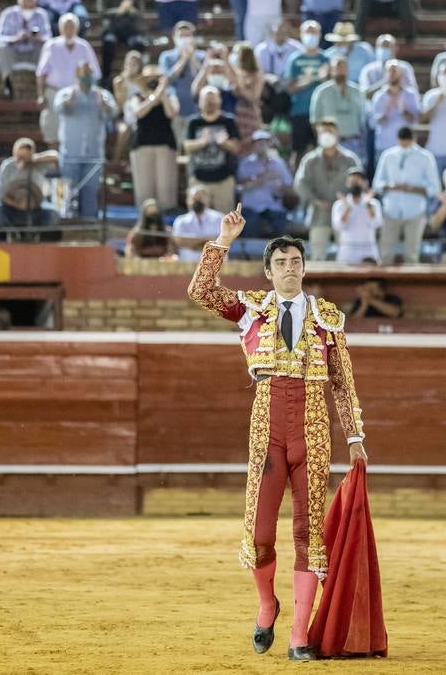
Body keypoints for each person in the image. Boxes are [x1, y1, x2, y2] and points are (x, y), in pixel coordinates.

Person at [188, 228, 366, 661]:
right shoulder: (251, 309)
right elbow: (200, 291)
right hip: (267, 423)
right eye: (281, 263)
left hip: (314, 425)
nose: (290, 268)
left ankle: (299, 635)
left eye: (296, 262)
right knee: (260, 531)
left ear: (304, 268)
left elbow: (342, 382)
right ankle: (268, 604)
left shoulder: (327, 317)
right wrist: (223, 240)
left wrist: (355, 437)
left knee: (308, 532)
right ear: (268, 272)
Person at [54, 65, 117, 219]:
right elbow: (58, 108)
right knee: (66, 195)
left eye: (89, 73)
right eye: (83, 73)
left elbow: (114, 112)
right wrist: (70, 100)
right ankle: (65, 227)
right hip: (70, 154)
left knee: (91, 194)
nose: (86, 77)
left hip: (94, 155)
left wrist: (104, 104)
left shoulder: (103, 94)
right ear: (77, 75)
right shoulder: (66, 92)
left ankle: (89, 226)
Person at [294, 117, 361, 259]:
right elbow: (300, 184)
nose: (327, 135)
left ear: (337, 133)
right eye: (323, 131)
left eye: (330, 131)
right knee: (317, 255)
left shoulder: (350, 159)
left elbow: (359, 183)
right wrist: (314, 200)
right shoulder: (310, 160)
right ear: (318, 134)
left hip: (345, 214)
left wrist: (346, 201)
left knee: (348, 255)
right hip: (319, 213)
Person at [372, 125, 440, 264]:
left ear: (413, 139)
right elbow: (377, 184)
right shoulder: (388, 156)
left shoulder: (425, 157)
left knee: (411, 256)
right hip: (391, 210)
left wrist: (413, 189)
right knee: (385, 255)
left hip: (415, 211)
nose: (405, 145)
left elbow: (435, 188)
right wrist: (393, 186)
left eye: (407, 142)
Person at [36, 12, 101, 146]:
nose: (69, 30)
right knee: (53, 130)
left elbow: (95, 74)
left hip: (77, 94)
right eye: (66, 26)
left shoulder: (84, 46)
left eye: (72, 26)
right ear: (60, 28)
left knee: (76, 131)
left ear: (77, 28)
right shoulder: (51, 45)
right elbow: (41, 73)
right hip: (54, 92)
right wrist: (41, 95)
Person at [127, 64, 180, 212]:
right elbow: (139, 112)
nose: (152, 80)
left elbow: (171, 113)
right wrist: (156, 95)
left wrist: (162, 94)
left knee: (166, 189)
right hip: (142, 145)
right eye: (149, 78)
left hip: (165, 145)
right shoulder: (137, 97)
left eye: (156, 78)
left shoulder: (170, 96)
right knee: (144, 190)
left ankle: (167, 218)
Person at [184, 85, 240, 212]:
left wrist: (224, 143)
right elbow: (187, 147)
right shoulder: (193, 122)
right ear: (200, 102)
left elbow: (236, 148)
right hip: (199, 179)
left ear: (219, 100)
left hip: (223, 179)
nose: (210, 102)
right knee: (199, 216)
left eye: (213, 99)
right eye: (206, 99)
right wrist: (201, 142)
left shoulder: (229, 121)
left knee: (225, 218)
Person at [282, 19, 329, 162]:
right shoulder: (294, 59)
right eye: (308, 32)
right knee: (298, 152)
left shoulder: (325, 58)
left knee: (322, 151)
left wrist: (323, 79)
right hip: (300, 111)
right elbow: (289, 88)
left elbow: (330, 87)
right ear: (301, 34)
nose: (311, 36)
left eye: (314, 32)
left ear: (320, 35)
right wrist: (308, 81)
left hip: (321, 113)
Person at [0, 137, 62, 230]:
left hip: (37, 207)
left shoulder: (39, 163)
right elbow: (0, 195)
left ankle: (36, 233)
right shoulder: (8, 166)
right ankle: (14, 233)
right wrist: (18, 205)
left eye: (25, 155)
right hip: (12, 207)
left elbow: (56, 156)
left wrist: (33, 160)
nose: (22, 159)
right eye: (20, 155)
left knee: (53, 213)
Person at [96, 0, 146, 87]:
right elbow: (101, 12)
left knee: (138, 43)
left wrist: (130, 10)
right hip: (112, 29)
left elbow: (140, 14)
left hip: (131, 30)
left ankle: (137, 76)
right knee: (108, 42)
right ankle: (106, 77)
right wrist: (119, 10)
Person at [0, 0, 51, 99]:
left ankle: (43, 86)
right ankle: (7, 82)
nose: (28, 8)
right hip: (14, 51)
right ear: (19, 3)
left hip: (34, 51)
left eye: (31, 6)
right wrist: (15, 38)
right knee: (3, 49)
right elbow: (0, 38)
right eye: (25, 5)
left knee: (46, 50)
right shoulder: (8, 14)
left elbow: (48, 38)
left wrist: (36, 38)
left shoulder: (41, 14)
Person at [309, 56, 367, 163]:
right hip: (329, 142)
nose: (340, 71)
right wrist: (323, 140)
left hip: (353, 142)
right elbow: (315, 120)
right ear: (331, 70)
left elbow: (362, 120)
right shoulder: (321, 92)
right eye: (337, 68)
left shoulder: (357, 91)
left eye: (343, 68)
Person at [158, 20, 206, 147]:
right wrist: (183, 59)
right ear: (174, 37)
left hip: (197, 109)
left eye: (188, 35)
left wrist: (192, 58)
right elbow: (166, 79)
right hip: (176, 109)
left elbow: (204, 78)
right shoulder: (166, 57)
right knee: (178, 146)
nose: (185, 39)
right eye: (181, 36)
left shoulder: (202, 56)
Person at [237, 129, 293, 237]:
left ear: (269, 144)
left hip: (273, 206)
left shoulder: (278, 163)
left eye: (264, 142)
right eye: (258, 142)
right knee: (250, 224)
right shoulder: (245, 164)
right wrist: (263, 178)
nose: (261, 145)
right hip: (251, 207)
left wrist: (280, 188)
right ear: (253, 145)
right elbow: (241, 187)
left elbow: (288, 185)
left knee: (281, 223)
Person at [370, 58, 421, 163]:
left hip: (405, 146)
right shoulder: (379, 96)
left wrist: (404, 111)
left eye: (395, 71)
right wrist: (385, 113)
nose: (392, 74)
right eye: (390, 71)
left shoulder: (411, 95)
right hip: (384, 146)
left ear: (401, 73)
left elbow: (416, 120)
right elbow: (372, 123)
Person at [331, 165, 383, 264]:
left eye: (358, 181)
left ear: (365, 183)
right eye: (352, 182)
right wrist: (348, 208)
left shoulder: (374, 203)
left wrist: (368, 205)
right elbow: (338, 226)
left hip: (369, 250)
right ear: (347, 183)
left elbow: (377, 223)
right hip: (347, 251)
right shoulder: (339, 205)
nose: (355, 184)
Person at [170, 185, 223, 261]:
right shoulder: (181, 220)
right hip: (187, 262)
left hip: (214, 263)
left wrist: (193, 242)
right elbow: (180, 241)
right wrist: (208, 240)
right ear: (187, 200)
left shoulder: (219, 218)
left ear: (208, 199)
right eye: (194, 198)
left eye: (201, 198)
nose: (198, 201)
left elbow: (223, 241)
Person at [359, 33, 418, 100]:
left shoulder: (405, 68)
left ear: (396, 48)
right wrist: (386, 81)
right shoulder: (368, 70)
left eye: (387, 47)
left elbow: (413, 93)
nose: (384, 49)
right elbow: (364, 95)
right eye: (381, 47)